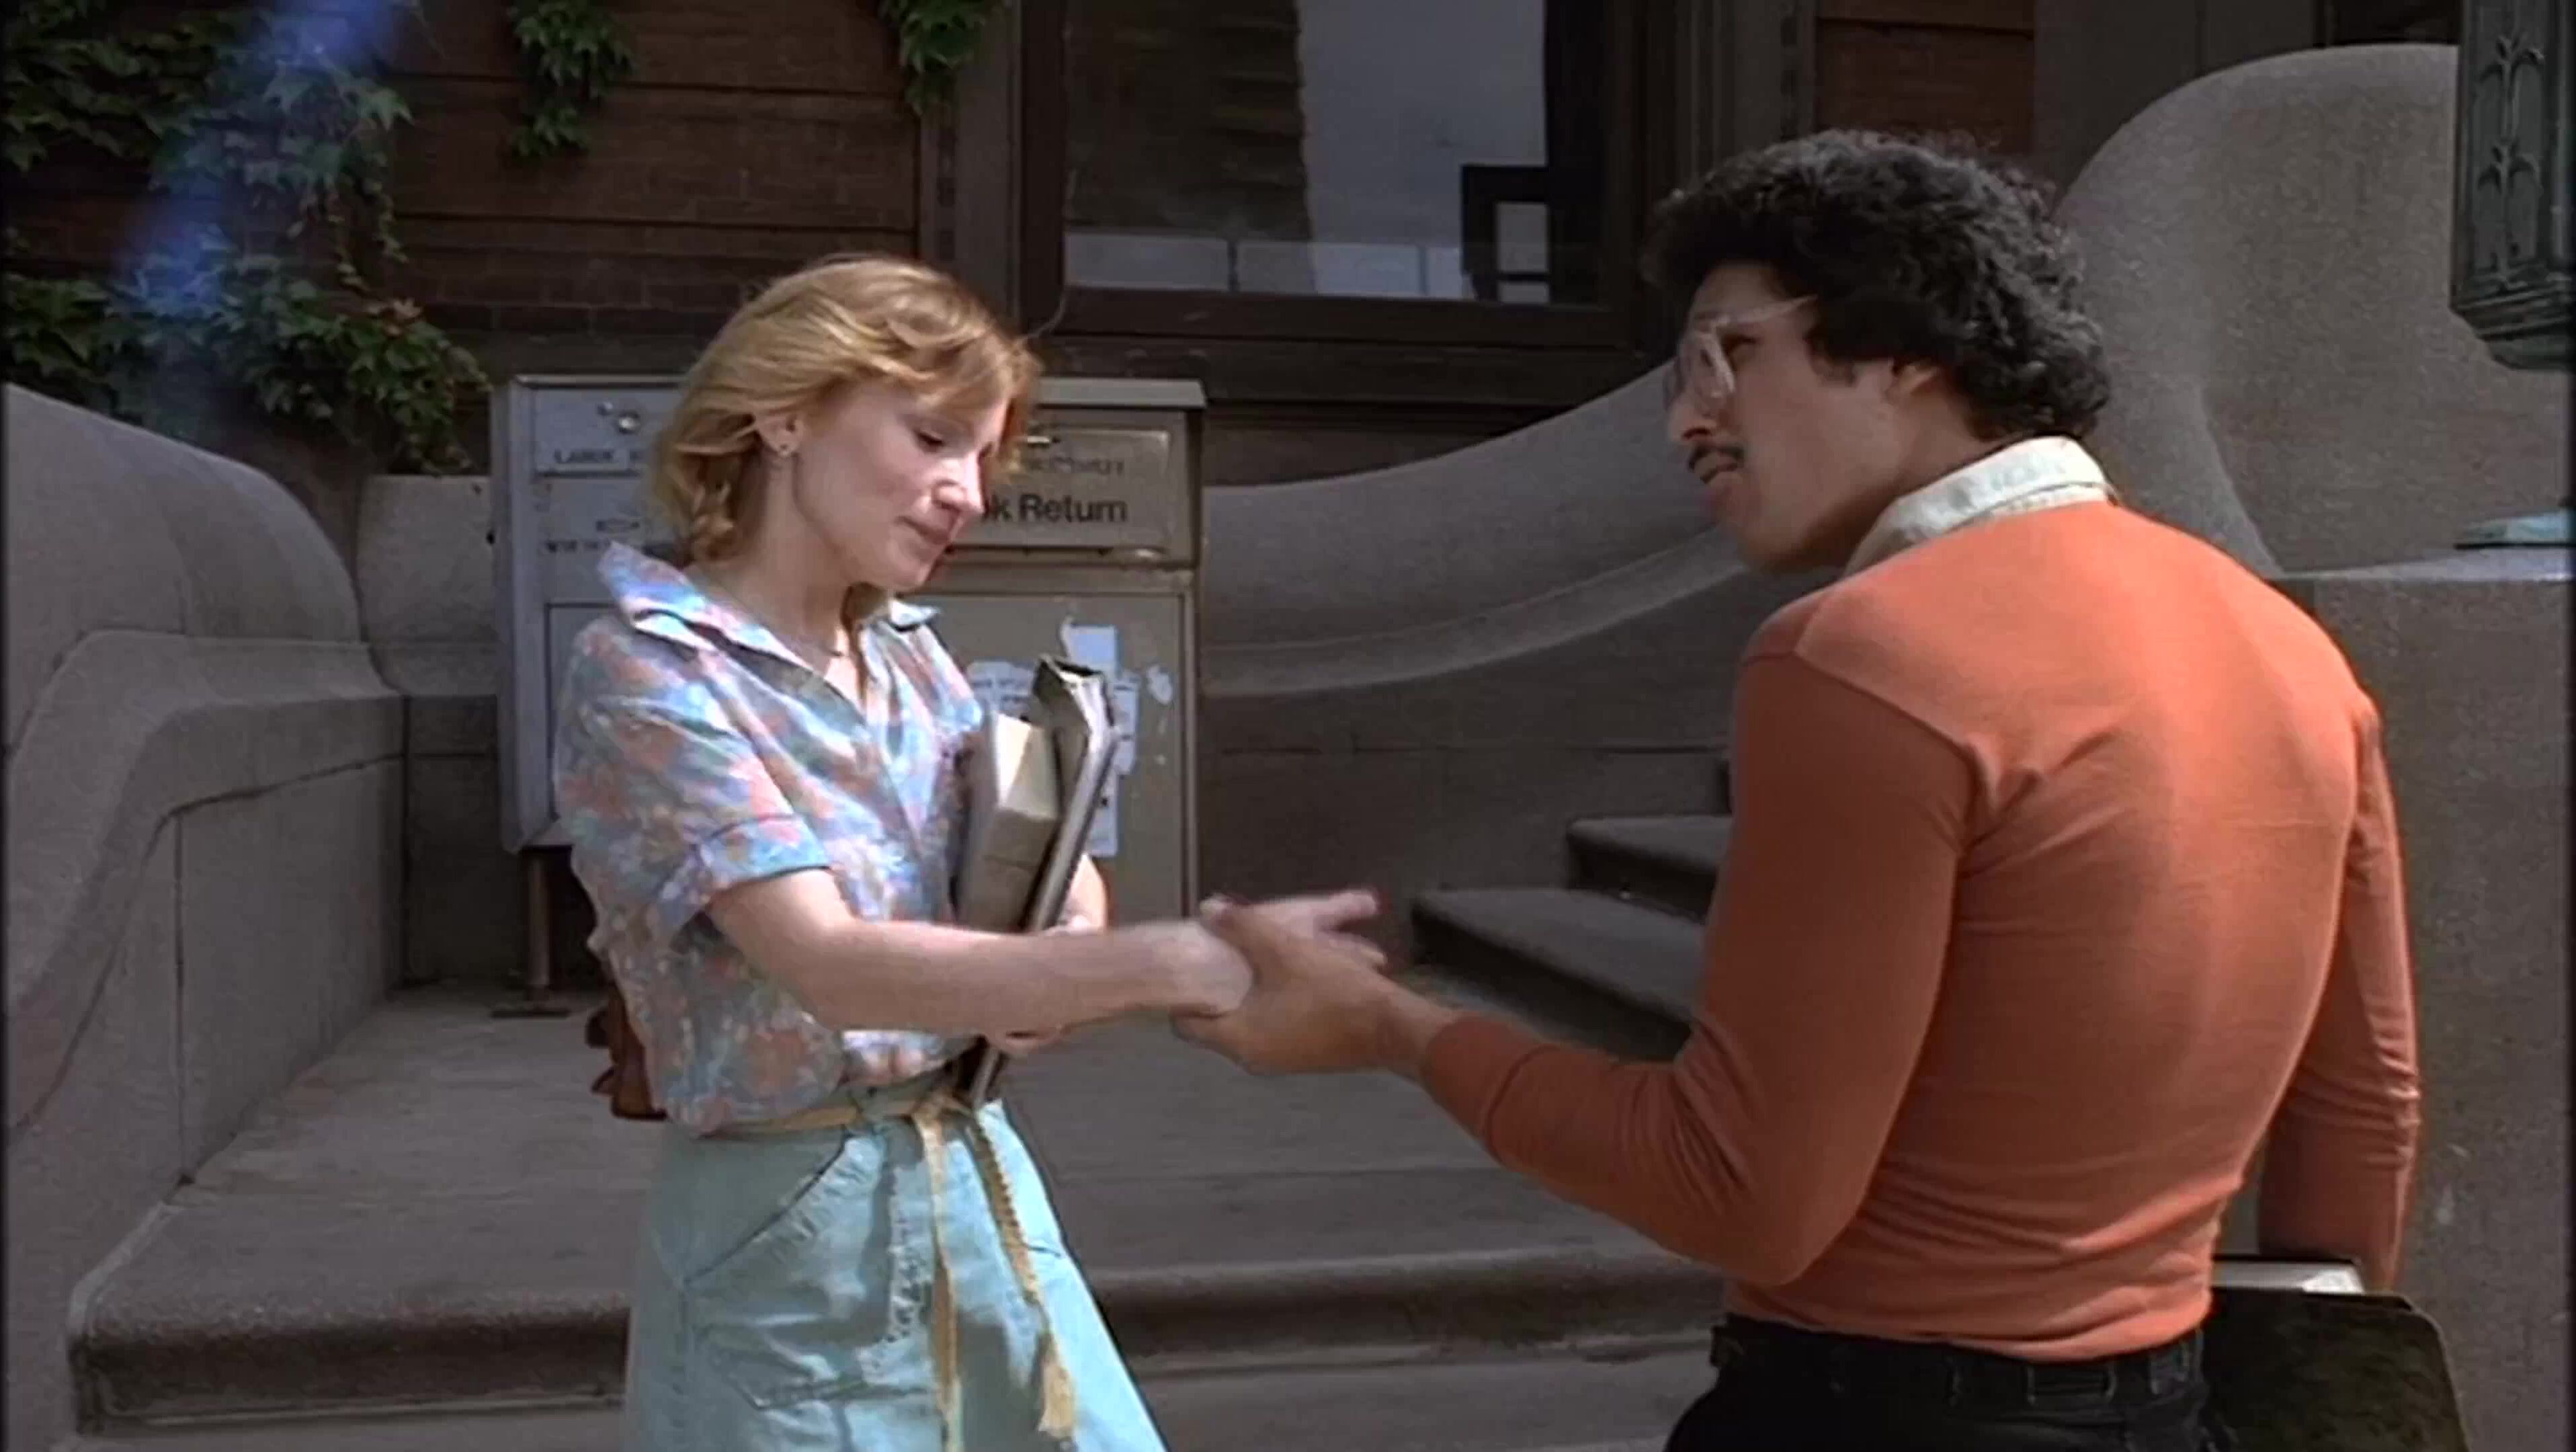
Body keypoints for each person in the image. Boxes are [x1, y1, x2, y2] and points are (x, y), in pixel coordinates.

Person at [1176, 131, 2423, 1452]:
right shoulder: (2289, 648)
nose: (1689, 418)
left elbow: (1738, 1189)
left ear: (1909, 346)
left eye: (1731, 353)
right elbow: (2365, 1118)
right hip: (2174, 1406)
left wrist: (1391, 1027)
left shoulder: (1865, 651)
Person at [551, 253, 1371, 1451]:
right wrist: (1175, 963)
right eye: (933, 438)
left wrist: (1067, 945)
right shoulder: (651, 668)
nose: (968, 494)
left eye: (985, 459)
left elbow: (1043, 853)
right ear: (785, 413)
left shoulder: (903, 651)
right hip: (785, 1233)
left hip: (972, 1178)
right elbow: (829, 964)